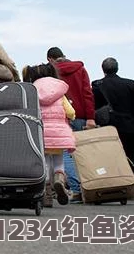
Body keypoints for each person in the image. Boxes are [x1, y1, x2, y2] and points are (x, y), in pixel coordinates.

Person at [23, 63, 76, 207]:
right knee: (59, 161)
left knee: (45, 162)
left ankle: (46, 194)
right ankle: (59, 179)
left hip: (41, 133)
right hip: (60, 133)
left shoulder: (32, 90)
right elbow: (70, 112)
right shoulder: (59, 91)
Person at [47, 47, 96, 203]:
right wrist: (90, 117)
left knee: (65, 153)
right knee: (82, 153)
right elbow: (87, 93)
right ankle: (89, 186)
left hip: (62, 115)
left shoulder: (52, 72)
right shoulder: (80, 69)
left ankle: (75, 189)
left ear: (50, 59)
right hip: (81, 115)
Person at [92, 57, 134, 174]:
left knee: (110, 157)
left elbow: (95, 106)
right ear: (117, 68)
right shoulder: (130, 84)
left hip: (107, 126)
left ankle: (115, 182)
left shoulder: (97, 85)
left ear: (103, 69)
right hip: (129, 125)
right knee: (129, 156)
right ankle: (130, 181)